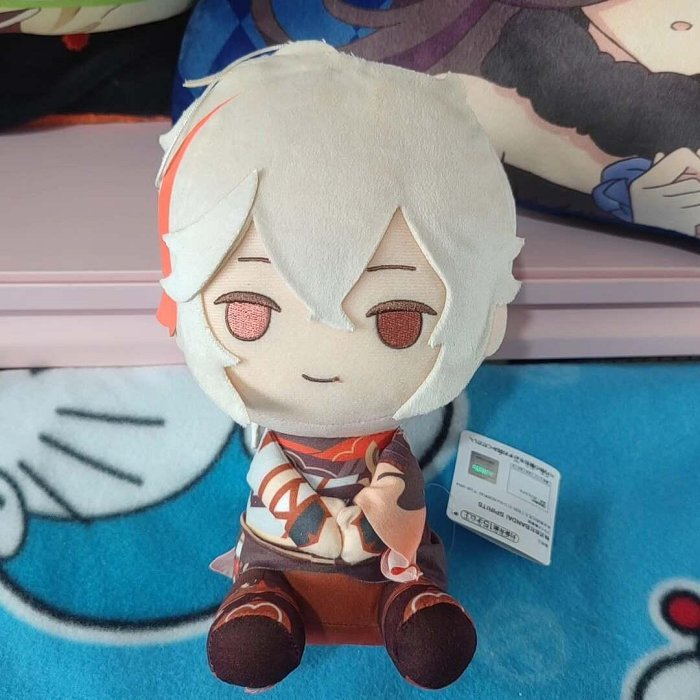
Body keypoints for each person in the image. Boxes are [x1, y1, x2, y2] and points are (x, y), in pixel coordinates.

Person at [156, 41, 522, 691]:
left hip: (385, 558)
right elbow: (273, 475)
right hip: (282, 555)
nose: (325, 353)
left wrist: (367, 528)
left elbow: (398, 489)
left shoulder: (389, 451)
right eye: (250, 311)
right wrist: (321, 530)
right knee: (260, 603)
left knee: (411, 583)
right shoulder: (277, 448)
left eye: (397, 318)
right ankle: (264, 607)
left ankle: (409, 609)